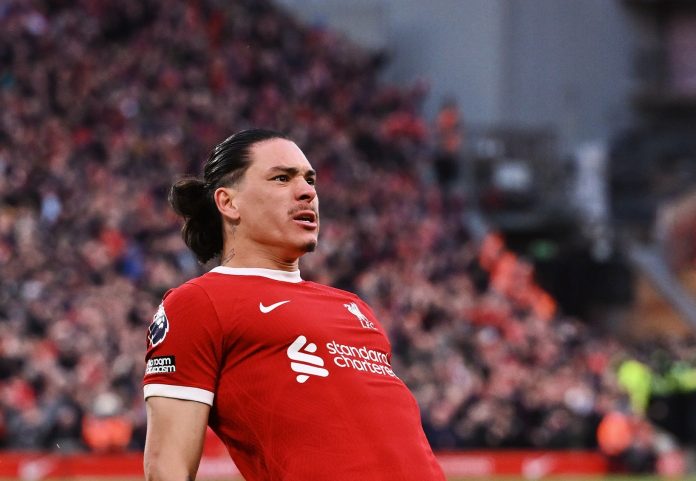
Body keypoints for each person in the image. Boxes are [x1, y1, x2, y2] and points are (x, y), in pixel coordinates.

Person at [142, 129, 446, 481]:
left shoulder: (354, 308)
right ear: (228, 203)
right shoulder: (197, 303)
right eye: (282, 178)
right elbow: (167, 467)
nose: (307, 192)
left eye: (310, 180)